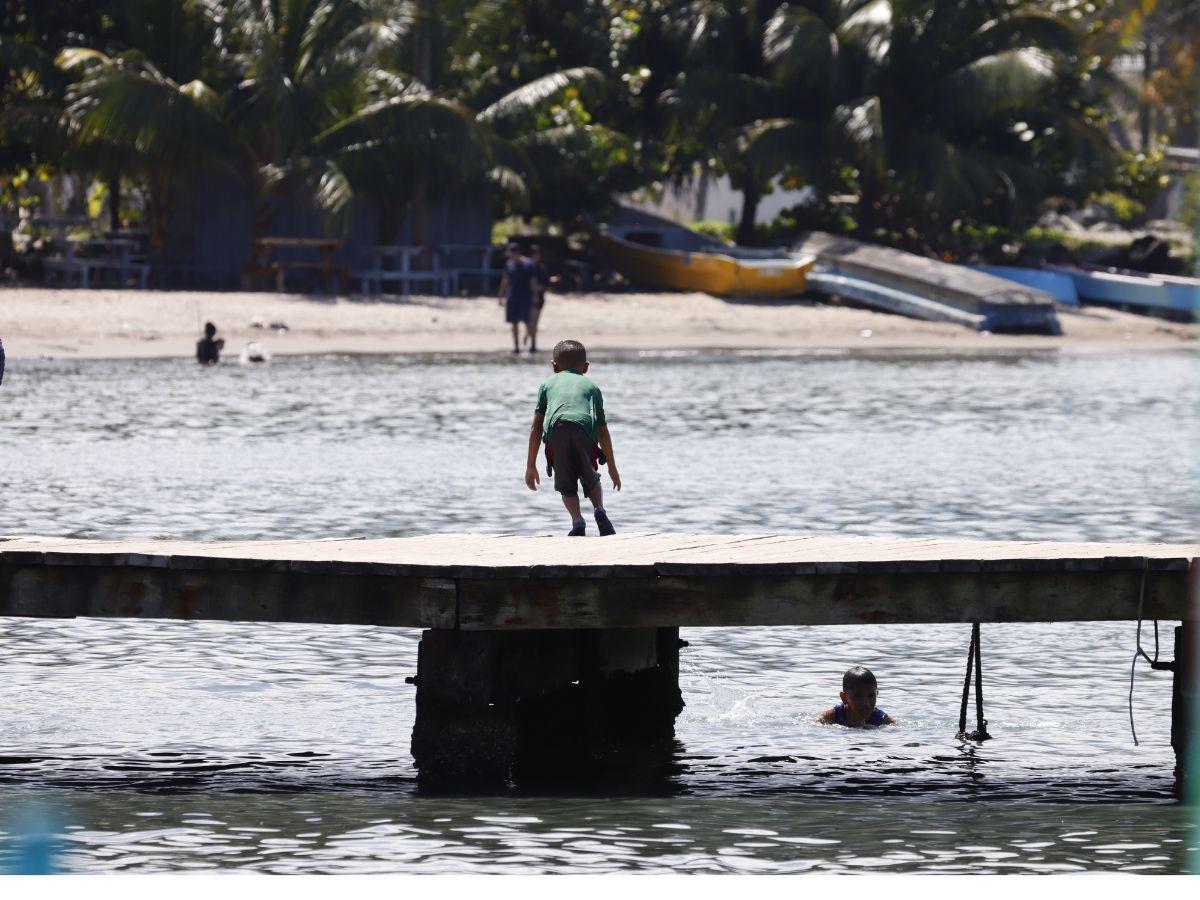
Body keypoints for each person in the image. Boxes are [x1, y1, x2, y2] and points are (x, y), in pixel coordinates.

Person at [524, 339, 621, 536]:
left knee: (566, 483)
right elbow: (602, 429)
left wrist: (531, 465)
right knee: (590, 474)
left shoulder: (547, 384)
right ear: (585, 367)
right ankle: (599, 509)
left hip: (557, 429)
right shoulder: (592, 387)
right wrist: (612, 466)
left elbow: (536, 427)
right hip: (583, 428)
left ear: (554, 366)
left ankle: (577, 521)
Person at [497, 243, 540, 354]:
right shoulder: (509, 264)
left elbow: (533, 282)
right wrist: (500, 296)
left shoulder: (529, 264)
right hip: (512, 297)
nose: (511, 256)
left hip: (526, 297)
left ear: (517, 253)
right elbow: (505, 280)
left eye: (512, 254)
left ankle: (533, 344)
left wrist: (535, 296)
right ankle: (516, 347)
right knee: (514, 322)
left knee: (528, 322)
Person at [819, 665, 895, 727]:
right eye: (858, 696)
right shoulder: (831, 717)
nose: (866, 703)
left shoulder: (882, 720)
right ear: (844, 697)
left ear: (877, 694)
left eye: (871, 696)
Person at [524, 244, 548, 352]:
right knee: (529, 321)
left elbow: (544, 283)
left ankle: (533, 344)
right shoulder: (526, 267)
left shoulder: (540, 268)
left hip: (539, 297)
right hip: (527, 297)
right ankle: (527, 335)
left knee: (534, 322)